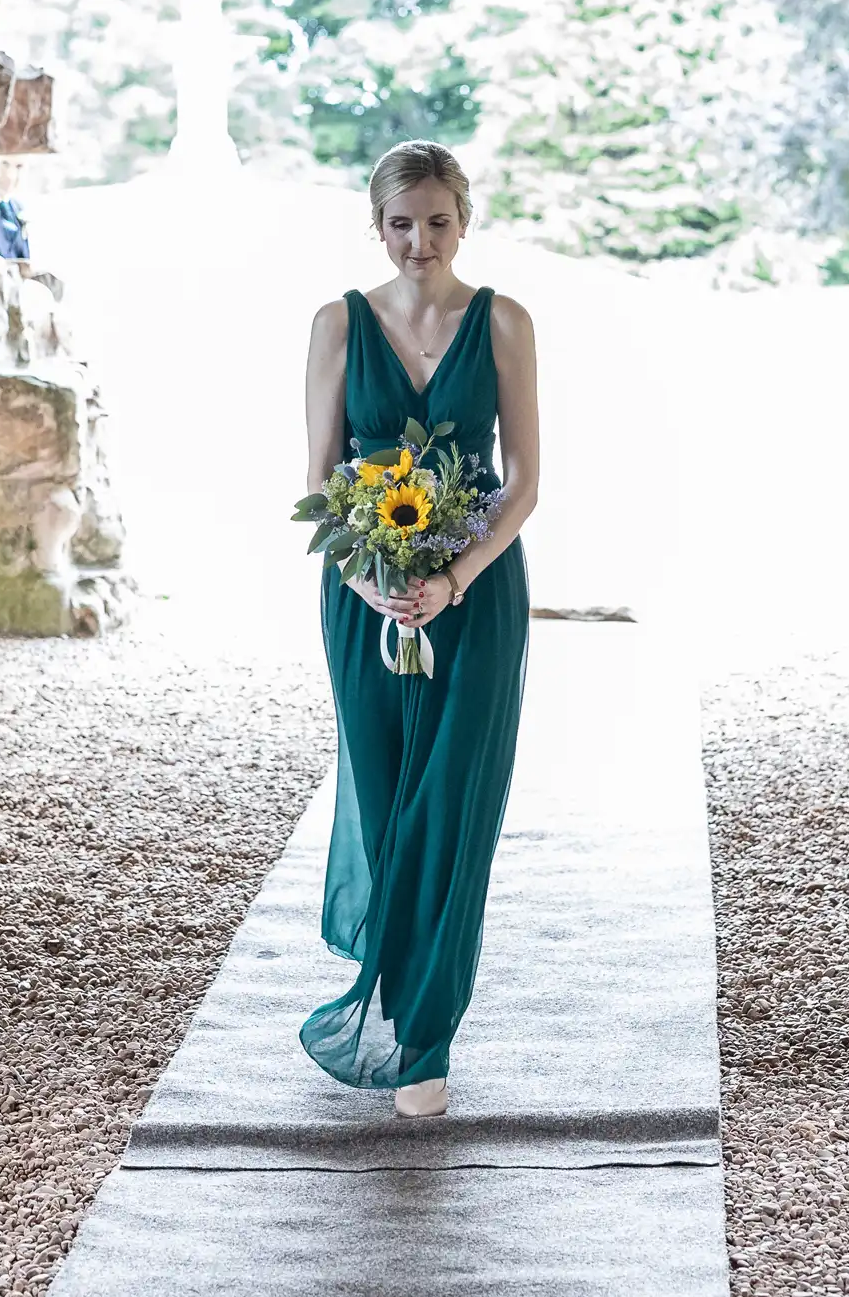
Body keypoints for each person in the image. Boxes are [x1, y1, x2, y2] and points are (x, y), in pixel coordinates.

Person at [298, 140, 539, 1119]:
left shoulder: (506, 322)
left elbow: (523, 483)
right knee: (387, 790)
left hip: (475, 596)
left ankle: (427, 1036)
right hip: (363, 599)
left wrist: (451, 577)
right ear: (377, 224)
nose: (418, 242)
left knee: (454, 804)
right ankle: (395, 994)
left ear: (462, 221)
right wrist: (373, 586)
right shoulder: (336, 324)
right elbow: (319, 485)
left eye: (436, 222)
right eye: (400, 223)